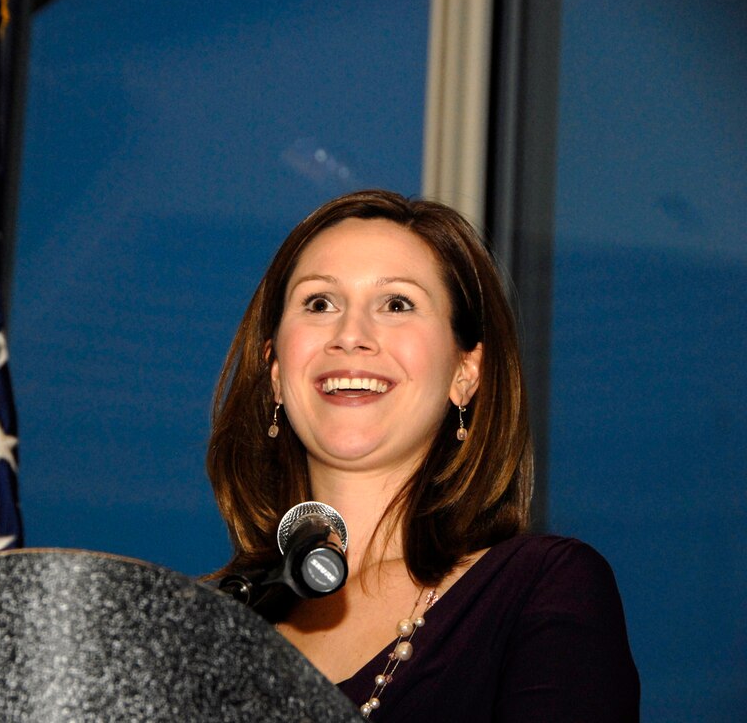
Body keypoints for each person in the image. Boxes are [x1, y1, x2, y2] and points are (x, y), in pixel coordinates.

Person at [206, 190, 639, 720]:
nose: (350, 335)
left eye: (397, 304)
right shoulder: (206, 621)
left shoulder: (541, 590)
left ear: (465, 372)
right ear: (275, 372)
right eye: (319, 303)